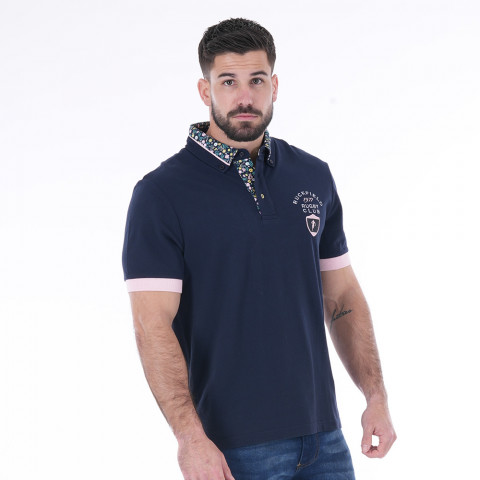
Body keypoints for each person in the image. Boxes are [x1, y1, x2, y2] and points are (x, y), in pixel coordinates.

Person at [122, 17, 396, 480]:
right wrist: (190, 437)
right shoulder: (161, 194)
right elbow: (152, 326)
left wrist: (376, 396)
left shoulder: (312, 175)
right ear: (205, 90)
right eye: (228, 81)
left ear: (275, 86)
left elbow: (343, 297)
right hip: (233, 448)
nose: (244, 97)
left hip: (325, 440)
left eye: (257, 80)